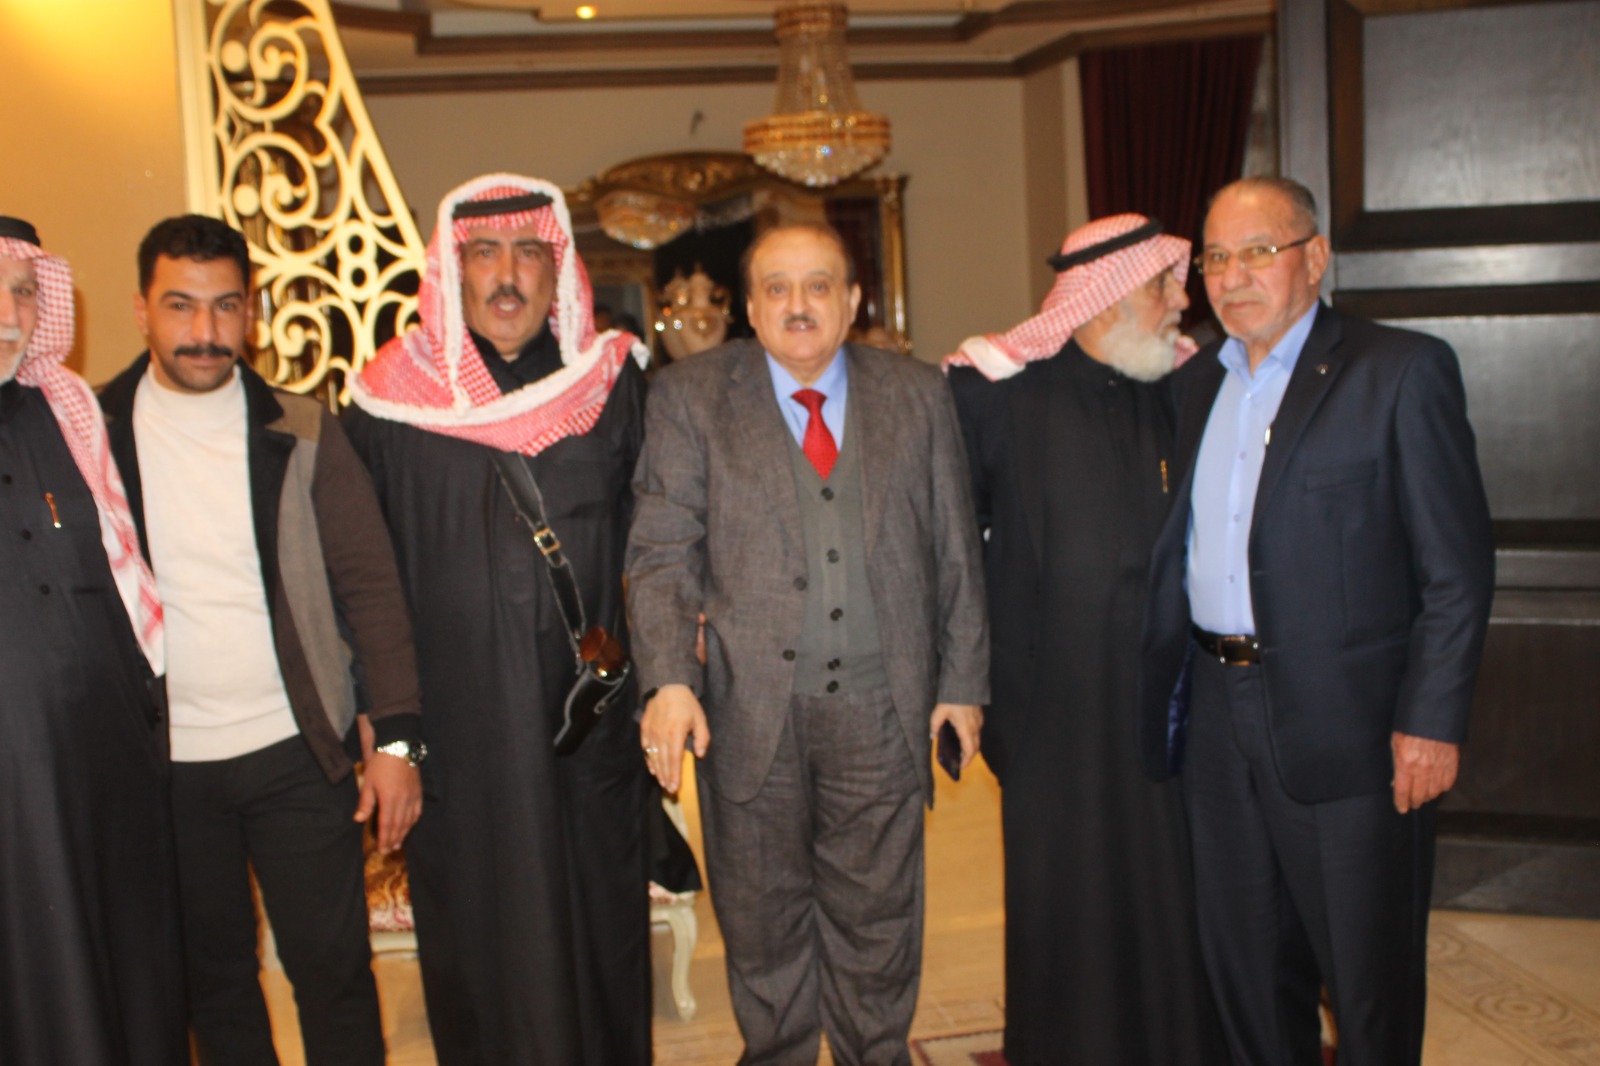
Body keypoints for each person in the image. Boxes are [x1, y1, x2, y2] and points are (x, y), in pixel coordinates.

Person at [1139, 177, 1494, 1065]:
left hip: (1354, 732)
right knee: (1247, 972)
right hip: (1216, 717)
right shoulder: (1195, 386)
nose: (1233, 276)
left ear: (1317, 256)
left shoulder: (1398, 371)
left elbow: (1456, 573)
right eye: (1215, 257)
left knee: (1368, 982)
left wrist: (1432, 721)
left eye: (1259, 251)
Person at [627, 223, 989, 1066]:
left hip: (881, 707)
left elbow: (955, 546)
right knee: (763, 926)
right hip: (750, 712)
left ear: (852, 301)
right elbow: (661, 552)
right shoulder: (689, 398)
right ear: (750, 308)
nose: (799, 305)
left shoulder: (916, 393)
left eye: (819, 286)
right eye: (778, 288)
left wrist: (962, 682)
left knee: (879, 923)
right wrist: (669, 680)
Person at [97, 214, 423, 1066]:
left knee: (334, 972)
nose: (204, 331)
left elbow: (373, 590)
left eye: (225, 306)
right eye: (180, 305)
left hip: (297, 754)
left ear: (252, 311)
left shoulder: (305, 427)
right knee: (213, 984)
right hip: (165, 767)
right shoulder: (91, 432)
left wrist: (398, 744)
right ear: (141, 309)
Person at [344, 174, 654, 1066]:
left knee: (598, 936)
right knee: (480, 949)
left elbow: (664, 546)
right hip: (459, 741)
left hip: (585, 733)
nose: (507, 276)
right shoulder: (388, 405)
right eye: (484, 254)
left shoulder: (613, 386)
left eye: (528, 254)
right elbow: (359, 585)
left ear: (560, 274)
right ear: (453, 271)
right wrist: (390, 735)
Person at [945, 213, 1226, 1065]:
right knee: (1065, 901)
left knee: (1175, 895)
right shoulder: (995, 397)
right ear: (1104, 300)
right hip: (1050, 710)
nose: (1182, 302)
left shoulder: (1185, 391)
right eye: (1163, 285)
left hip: (1170, 707)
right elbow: (950, 548)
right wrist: (959, 683)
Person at [0, 215, 186, 1064]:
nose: (11, 315)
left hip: (106, 768)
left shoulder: (69, 410)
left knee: (129, 975)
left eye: (23, 291)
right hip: (14, 791)